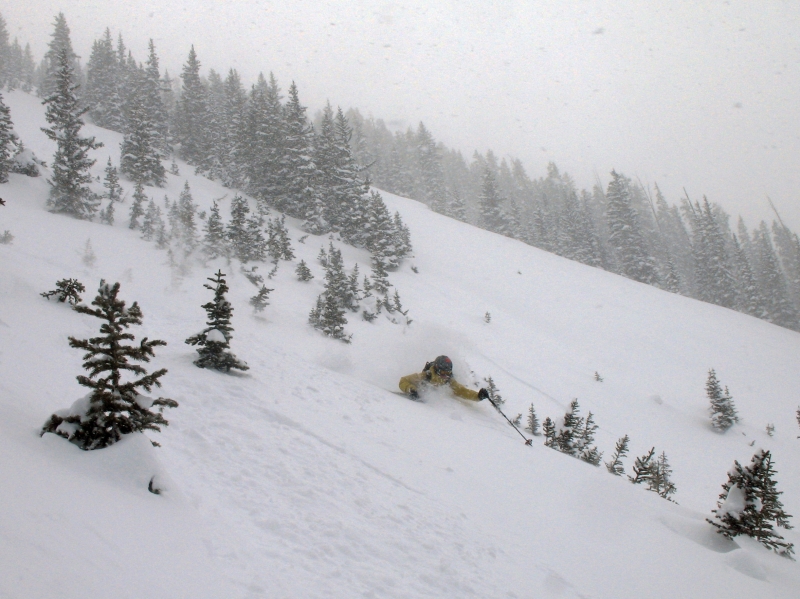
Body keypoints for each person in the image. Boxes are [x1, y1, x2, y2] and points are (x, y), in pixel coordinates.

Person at [399, 355, 489, 401]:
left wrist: (478, 396)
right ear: (437, 369)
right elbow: (403, 381)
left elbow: (462, 391)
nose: (445, 376)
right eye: (443, 373)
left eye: (448, 373)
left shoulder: (449, 381)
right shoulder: (426, 376)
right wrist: (411, 390)